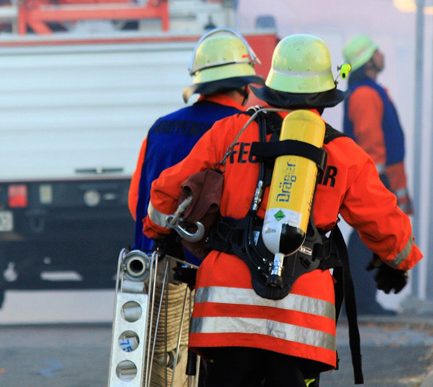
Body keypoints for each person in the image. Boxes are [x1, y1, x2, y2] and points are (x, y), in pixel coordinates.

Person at [143, 34, 422, 386]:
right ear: (323, 97)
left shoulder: (230, 132)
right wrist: (399, 262)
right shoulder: (343, 153)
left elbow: (166, 193)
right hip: (300, 321)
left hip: (226, 316)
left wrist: (160, 234)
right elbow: (384, 220)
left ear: (271, 88)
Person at [129, 27, 264, 260]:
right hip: (209, 273)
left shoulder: (159, 128)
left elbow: (136, 203)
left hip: (150, 269)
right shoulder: (246, 131)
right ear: (245, 86)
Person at [342, 33, 411, 316]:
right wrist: (380, 186)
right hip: (372, 181)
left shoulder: (368, 91)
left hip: (375, 180)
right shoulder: (366, 94)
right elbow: (371, 144)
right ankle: (361, 300)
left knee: (366, 239)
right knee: (365, 239)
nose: (382, 54)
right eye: (377, 51)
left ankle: (361, 299)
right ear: (369, 61)